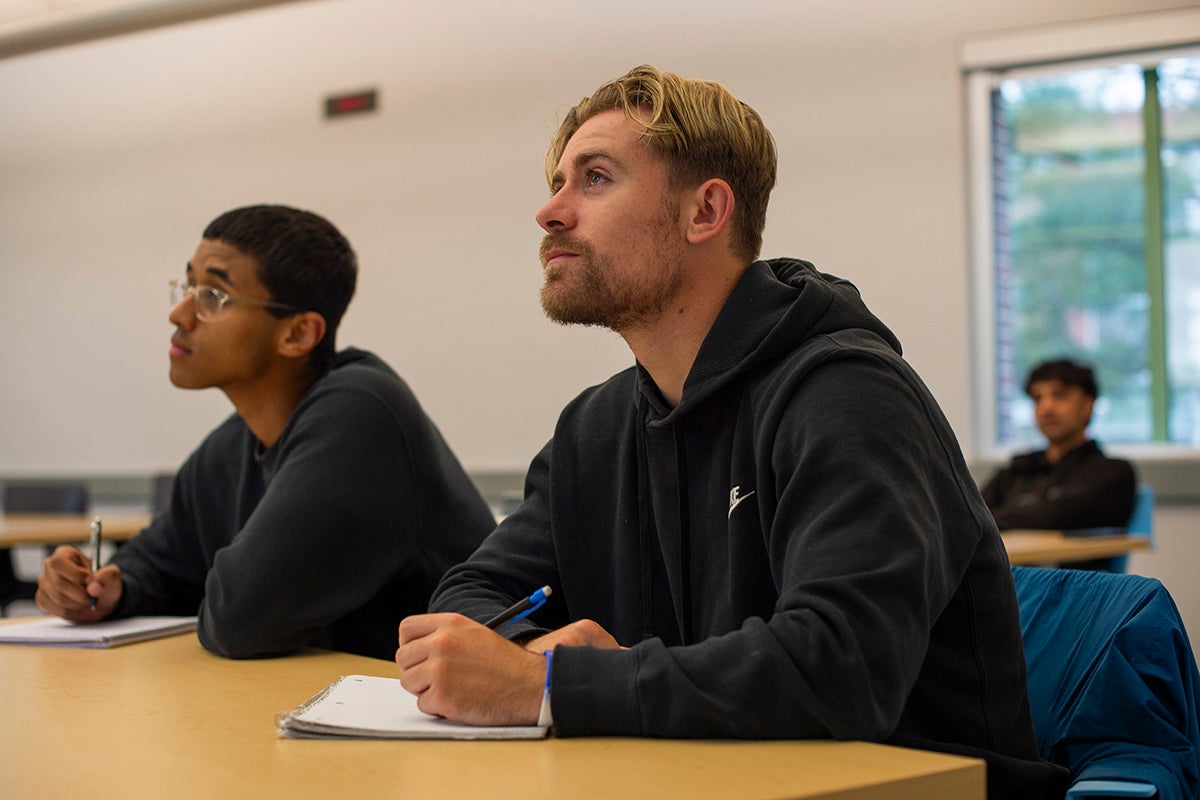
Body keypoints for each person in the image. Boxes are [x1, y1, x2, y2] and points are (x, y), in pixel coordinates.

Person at [394, 66, 1067, 798]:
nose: (549, 212)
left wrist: (554, 685)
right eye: (557, 181)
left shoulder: (848, 392)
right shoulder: (598, 424)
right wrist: (521, 653)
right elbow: (470, 590)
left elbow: (841, 667)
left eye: (594, 179)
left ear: (705, 211)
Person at [36, 204, 495, 660]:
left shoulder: (362, 412)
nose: (179, 314)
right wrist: (107, 588)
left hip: (438, 720)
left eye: (212, 296)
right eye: (187, 286)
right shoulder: (231, 443)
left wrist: (194, 592)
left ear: (297, 334)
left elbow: (241, 619)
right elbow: (160, 562)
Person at [982, 358, 1136, 533]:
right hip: (1010, 560)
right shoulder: (1016, 471)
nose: (1046, 408)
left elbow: (1053, 516)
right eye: (1038, 398)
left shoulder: (1112, 474)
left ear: (1087, 405)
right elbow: (969, 516)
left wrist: (992, 520)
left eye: (1060, 395)